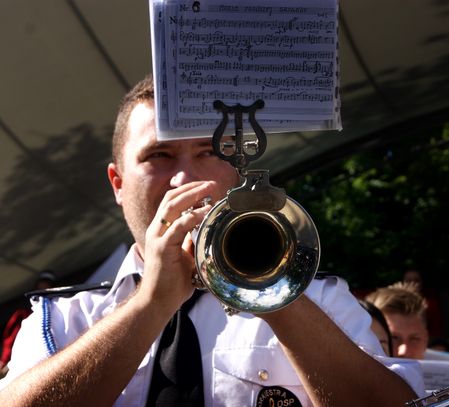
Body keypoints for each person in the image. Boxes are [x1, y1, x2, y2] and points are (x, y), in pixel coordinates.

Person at [0, 75, 423, 406]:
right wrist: (152, 304)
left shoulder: (321, 299)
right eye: (158, 156)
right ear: (118, 183)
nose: (185, 178)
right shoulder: (64, 316)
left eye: (210, 151)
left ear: (237, 174)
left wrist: (273, 292)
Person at [0, 270, 57, 379]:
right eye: (41, 285)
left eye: (47, 286)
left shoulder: (57, 312)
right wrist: (4, 360)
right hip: (16, 362)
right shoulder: (23, 314)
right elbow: (10, 338)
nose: (44, 289)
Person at [366, 282, 429, 360]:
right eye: (394, 338)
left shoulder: (447, 369)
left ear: (426, 339)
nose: (403, 352)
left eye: (414, 339)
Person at [402, 269, 444, 339]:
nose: (412, 283)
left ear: (422, 283)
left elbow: (437, 330)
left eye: (416, 280)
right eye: (408, 281)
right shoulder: (395, 304)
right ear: (403, 283)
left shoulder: (432, 304)